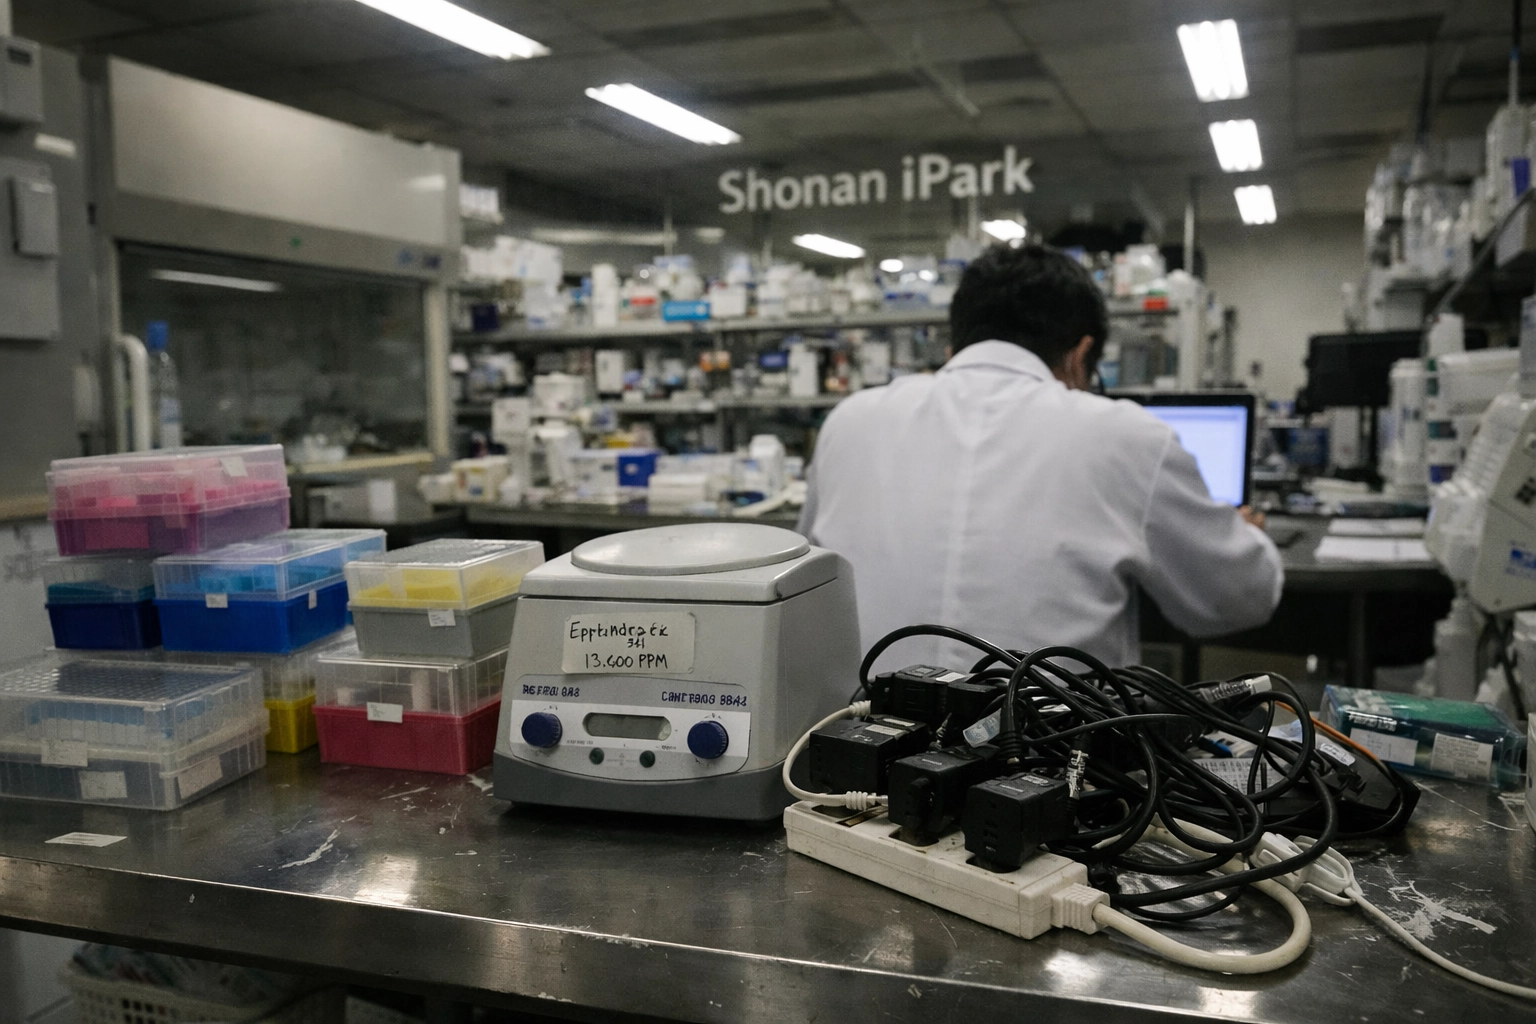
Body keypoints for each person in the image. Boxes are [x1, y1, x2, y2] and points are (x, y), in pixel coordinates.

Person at [798, 243, 1283, 670]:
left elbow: (804, 582)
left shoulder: (849, 422)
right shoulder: (1127, 436)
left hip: (858, 736)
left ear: (954, 344)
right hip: (1052, 742)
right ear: (1080, 355)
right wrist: (1249, 538)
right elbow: (1237, 599)